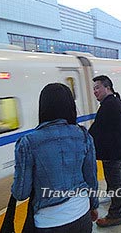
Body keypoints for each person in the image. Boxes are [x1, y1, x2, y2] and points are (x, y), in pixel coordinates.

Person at [12, 83, 99, 233]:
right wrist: (93, 205)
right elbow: (91, 178)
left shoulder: (27, 142)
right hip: (81, 213)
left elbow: (21, 193)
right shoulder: (83, 135)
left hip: (48, 222)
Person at [89, 75, 121, 228]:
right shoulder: (117, 101)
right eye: (94, 89)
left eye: (97, 87)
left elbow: (97, 129)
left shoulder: (108, 105)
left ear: (107, 88)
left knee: (115, 184)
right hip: (119, 150)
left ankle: (114, 215)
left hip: (111, 152)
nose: (95, 91)